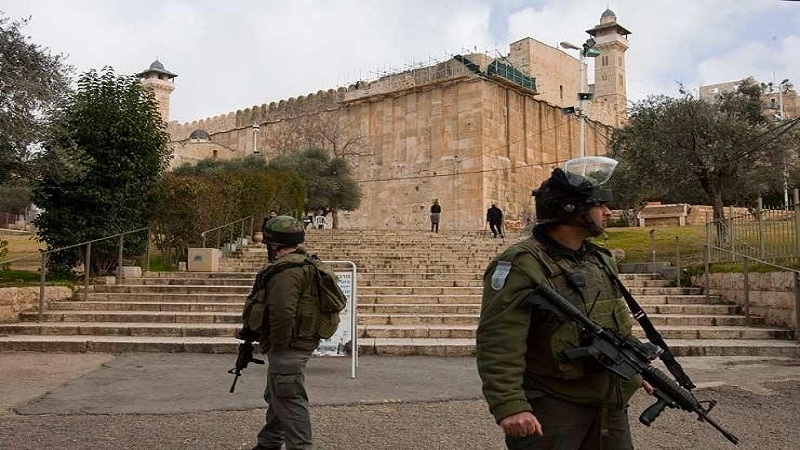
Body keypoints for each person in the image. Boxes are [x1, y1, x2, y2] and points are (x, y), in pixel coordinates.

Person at [476, 156, 653, 450]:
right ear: (573, 210)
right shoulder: (522, 264)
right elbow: (499, 338)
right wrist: (509, 404)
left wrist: (633, 366)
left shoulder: (600, 258)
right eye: (599, 205)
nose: (608, 212)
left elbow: (614, 320)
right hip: (553, 405)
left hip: (608, 403)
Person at [240, 215, 322, 450]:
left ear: (273, 243)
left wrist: (277, 345)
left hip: (289, 344)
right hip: (298, 340)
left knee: (289, 397)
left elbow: (283, 313)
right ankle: (269, 443)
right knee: (278, 393)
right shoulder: (303, 264)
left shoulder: (287, 272)